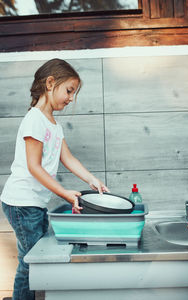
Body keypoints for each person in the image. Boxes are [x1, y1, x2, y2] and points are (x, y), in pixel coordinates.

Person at [0, 58, 109, 300]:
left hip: (32, 204)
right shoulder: (34, 119)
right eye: (69, 90)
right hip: (21, 203)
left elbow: (68, 158)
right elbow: (34, 167)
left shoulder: (53, 125)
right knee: (31, 263)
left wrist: (92, 180)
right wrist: (65, 193)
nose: (71, 98)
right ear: (50, 83)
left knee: (32, 260)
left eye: (73, 93)